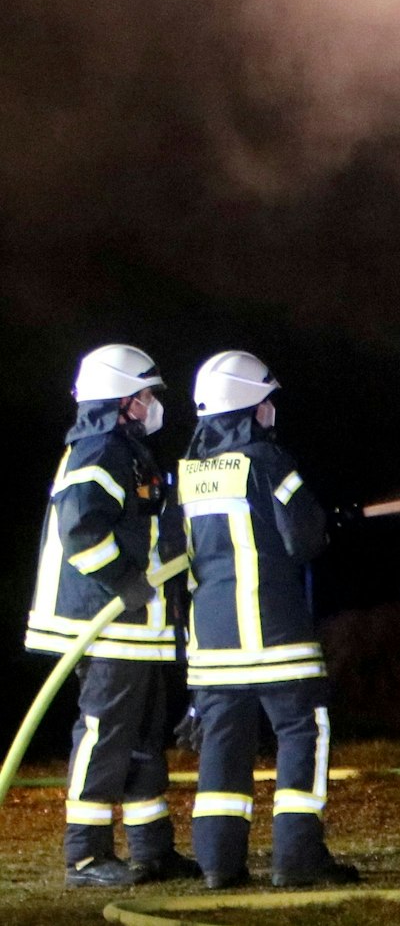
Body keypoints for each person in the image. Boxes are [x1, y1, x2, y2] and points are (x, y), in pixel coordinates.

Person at [178, 350, 358, 889]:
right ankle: (298, 859)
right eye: (265, 401)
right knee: (305, 730)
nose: (271, 410)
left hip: (212, 646)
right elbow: (303, 537)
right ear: (249, 408)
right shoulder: (268, 462)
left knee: (222, 747)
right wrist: (328, 525)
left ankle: (217, 866)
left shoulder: (187, 474)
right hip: (276, 636)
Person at [24, 345, 200, 887]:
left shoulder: (126, 451)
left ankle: (151, 850)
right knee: (104, 735)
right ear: (122, 401)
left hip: (134, 625)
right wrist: (126, 583)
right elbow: (80, 529)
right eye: (145, 395)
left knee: (144, 737)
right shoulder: (98, 450)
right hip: (103, 623)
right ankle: (86, 855)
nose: (152, 405)